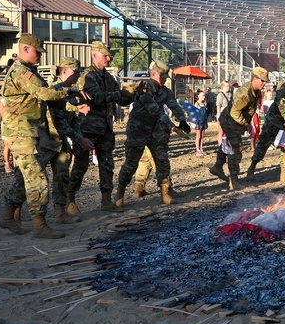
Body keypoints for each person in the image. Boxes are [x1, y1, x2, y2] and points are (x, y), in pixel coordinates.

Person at [0, 33, 83, 239]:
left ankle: (8, 216)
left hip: (30, 131)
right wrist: (73, 90)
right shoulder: (21, 72)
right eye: (38, 52)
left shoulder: (28, 71)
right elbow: (44, 94)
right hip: (22, 132)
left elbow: (45, 94)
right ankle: (40, 225)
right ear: (25, 49)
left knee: (24, 177)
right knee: (38, 179)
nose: (40, 56)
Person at [114, 60, 191, 208]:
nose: (164, 80)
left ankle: (165, 193)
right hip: (138, 129)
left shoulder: (165, 91)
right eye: (162, 77)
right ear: (153, 74)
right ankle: (120, 195)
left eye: (165, 77)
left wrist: (182, 120)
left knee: (162, 161)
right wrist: (172, 126)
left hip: (155, 130)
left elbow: (174, 105)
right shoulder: (144, 88)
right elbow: (155, 110)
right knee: (131, 163)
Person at [67, 40, 132, 214]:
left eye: (109, 56)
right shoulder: (88, 76)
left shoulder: (108, 78)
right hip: (87, 129)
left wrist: (133, 93)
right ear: (94, 55)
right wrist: (120, 93)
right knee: (81, 166)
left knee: (107, 164)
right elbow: (97, 97)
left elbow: (121, 100)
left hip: (105, 129)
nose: (109, 59)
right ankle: (70, 200)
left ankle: (106, 200)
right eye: (106, 56)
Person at [46, 57, 96, 224]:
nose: (78, 77)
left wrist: (79, 138)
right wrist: (79, 139)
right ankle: (13, 212)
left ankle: (60, 212)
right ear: (65, 71)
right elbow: (58, 122)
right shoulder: (54, 90)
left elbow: (74, 120)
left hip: (61, 143)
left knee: (61, 177)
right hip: (46, 141)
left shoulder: (71, 92)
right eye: (76, 73)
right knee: (28, 178)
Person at [245, 65, 285, 183]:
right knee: (263, 144)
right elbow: (281, 103)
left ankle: (284, 173)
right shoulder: (283, 86)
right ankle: (252, 167)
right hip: (274, 120)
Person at [210, 67, 268, 191]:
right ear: (255, 78)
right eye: (262, 80)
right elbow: (235, 113)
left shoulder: (256, 91)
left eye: (265, 81)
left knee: (228, 145)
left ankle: (218, 166)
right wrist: (245, 124)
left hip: (234, 122)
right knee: (236, 149)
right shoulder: (244, 93)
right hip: (230, 121)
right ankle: (234, 180)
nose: (264, 83)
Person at [193, 89, 208, 156]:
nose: (204, 97)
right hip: (198, 122)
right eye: (202, 96)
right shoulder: (197, 104)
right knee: (198, 136)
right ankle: (197, 149)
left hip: (203, 121)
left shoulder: (204, 104)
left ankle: (201, 149)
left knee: (202, 136)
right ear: (198, 96)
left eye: (204, 96)